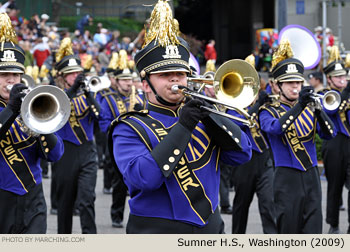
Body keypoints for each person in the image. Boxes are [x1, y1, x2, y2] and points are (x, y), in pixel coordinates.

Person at [108, 0, 252, 234]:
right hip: (156, 230)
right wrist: (183, 126)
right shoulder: (129, 127)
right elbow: (144, 178)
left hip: (210, 226)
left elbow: (242, 154)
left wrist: (211, 116)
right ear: (146, 85)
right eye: (166, 74)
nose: (176, 80)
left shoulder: (203, 116)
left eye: (181, 74)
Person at [259, 39, 336, 234]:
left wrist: (318, 111)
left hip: (311, 176)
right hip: (286, 177)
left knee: (313, 229)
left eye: (299, 82)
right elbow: (276, 129)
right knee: (289, 231)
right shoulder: (268, 110)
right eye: (290, 83)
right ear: (278, 85)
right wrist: (300, 105)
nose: (295, 87)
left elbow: (330, 134)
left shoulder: (310, 108)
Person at [0, 12, 64, 234]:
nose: (11, 80)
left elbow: (55, 155)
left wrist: (42, 122)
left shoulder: (28, 106)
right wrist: (10, 110)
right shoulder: (11, 108)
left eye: (16, 75)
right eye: (4, 74)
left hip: (33, 198)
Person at [52, 37, 100, 234]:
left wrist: (88, 94)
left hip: (88, 151)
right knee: (65, 204)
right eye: (72, 74)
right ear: (63, 76)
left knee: (87, 200)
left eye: (78, 72)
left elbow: (101, 117)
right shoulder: (53, 94)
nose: (76, 77)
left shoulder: (88, 94)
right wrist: (71, 91)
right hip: (65, 153)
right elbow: (56, 111)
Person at [229, 55, 276, 234]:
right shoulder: (232, 105)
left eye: (253, 84)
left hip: (264, 159)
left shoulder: (264, 103)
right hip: (243, 162)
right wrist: (255, 108)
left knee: (268, 204)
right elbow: (237, 123)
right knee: (241, 205)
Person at [99, 50, 144, 228]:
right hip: (118, 145)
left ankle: (139, 217)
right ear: (116, 81)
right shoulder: (108, 98)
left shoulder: (139, 97)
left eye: (130, 80)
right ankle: (116, 215)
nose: (128, 84)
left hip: (139, 146)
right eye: (124, 80)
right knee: (119, 185)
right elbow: (103, 122)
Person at [321, 46, 350, 234]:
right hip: (333, 143)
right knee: (334, 186)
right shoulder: (324, 94)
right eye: (338, 77)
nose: (342, 79)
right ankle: (333, 223)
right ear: (329, 79)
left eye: (344, 76)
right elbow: (331, 109)